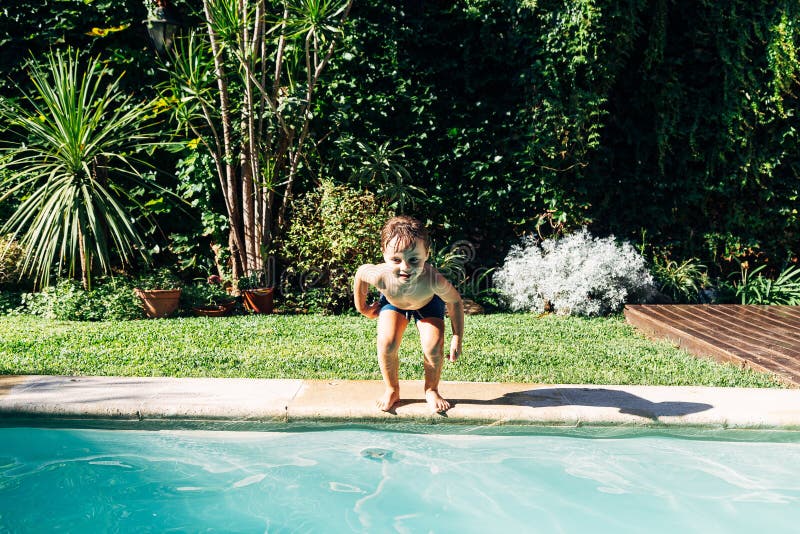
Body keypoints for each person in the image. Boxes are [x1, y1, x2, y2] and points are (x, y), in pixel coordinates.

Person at [353, 216, 464, 413]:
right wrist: (362, 307)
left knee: (433, 349)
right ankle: (392, 389)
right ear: (384, 254)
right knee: (387, 344)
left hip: (428, 304)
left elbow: (454, 301)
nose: (405, 267)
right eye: (396, 259)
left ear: (426, 254)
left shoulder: (433, 281)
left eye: (414, 260)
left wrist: (457, 336)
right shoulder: (379, 275)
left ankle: (431, 390)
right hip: (394, 303)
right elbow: (361, 274)